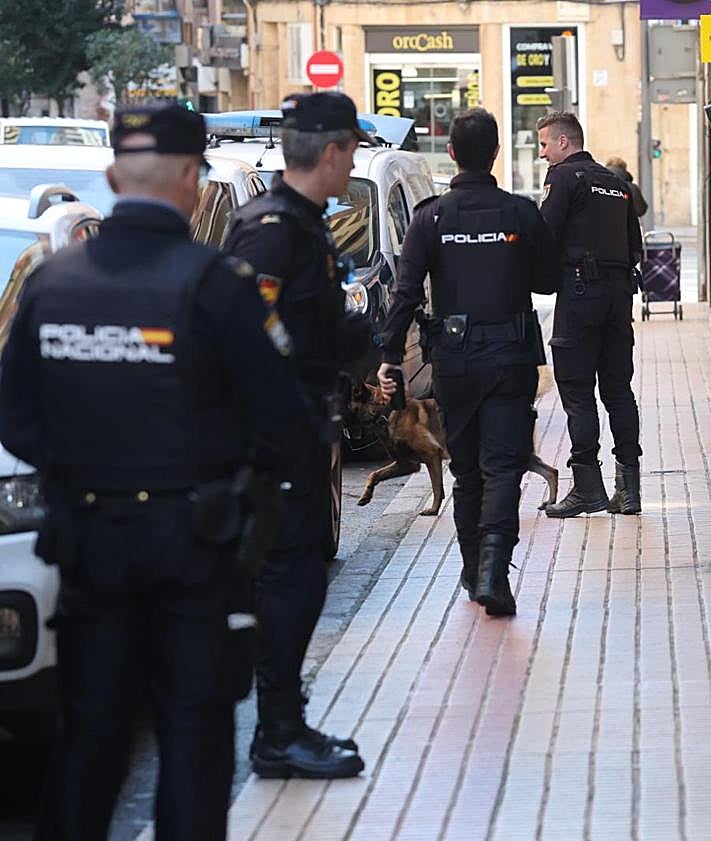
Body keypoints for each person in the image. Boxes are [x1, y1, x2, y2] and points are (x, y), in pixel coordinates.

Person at [0, 103, 314, 841]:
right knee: (194, 739)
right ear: (192, 181)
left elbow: (13, 415)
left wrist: (76, 470)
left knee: (89, 737)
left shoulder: (51, 286)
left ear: (113, 178)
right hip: (194, 549)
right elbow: (286, 420)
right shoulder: (217, 283)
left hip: (90, 542)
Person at [223, 91, 371, 779]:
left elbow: (306, 325)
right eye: (350, 154)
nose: (350, 168)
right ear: (333, 150)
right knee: (289, 580)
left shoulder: (304, 224)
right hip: (276, 440)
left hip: (302, 431)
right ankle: (276, 730)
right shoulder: (273, 228)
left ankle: (285, 721)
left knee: (300, 578)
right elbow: (251, 333)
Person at [377, 107, 561, 617]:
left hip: (455, 363)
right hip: (510, 358)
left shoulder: (431, 217)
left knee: (468, 474)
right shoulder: (521, 214)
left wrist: (390, 357)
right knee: (503, 468)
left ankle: (472, 565)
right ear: (496, 153)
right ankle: (493, 572)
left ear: (452, 153)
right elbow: (549, 280)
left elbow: (406, 292)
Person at [537, 111, 643, 517]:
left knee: (577, 391)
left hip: (580, 296)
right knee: (618, 391)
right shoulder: (617, 184)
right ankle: (628, 489)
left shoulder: (564, 178)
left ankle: (587, 487)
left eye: (545, 144)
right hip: (618, 298)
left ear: (564, 142)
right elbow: (636, 247)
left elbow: (545, 236)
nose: (543, 153)